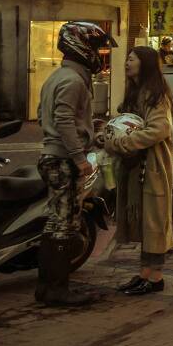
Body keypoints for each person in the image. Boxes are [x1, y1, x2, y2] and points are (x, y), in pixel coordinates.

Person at [36, 21, 115, 307]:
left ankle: (46, 287)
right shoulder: (72, 80)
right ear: (80, 47)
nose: (99, 55)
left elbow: (49, 116)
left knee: (56, 221)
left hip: (54, 155)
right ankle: (57, 289)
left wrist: (90, 128)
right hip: (63, 159)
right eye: (96, 48)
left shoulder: (59, 77)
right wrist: (80, 158)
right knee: (64, 225)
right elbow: (63, 120)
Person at [104, 46, 173, 296]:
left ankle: (155, 277)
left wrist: (123, 143)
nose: (126, 62)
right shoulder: (135, 92)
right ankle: (145, 273)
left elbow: (159, 129)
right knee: (143, 222)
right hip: (135, 167)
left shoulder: (156, 95)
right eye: (127, 58)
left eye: (131, 59)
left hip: (152, 167)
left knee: (153, 222)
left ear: (144, 63)